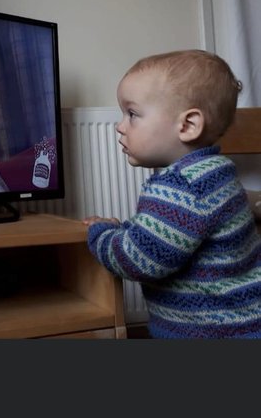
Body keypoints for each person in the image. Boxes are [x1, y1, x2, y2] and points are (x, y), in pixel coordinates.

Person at [82, 50, 261, 339]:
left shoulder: (183, 185)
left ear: (188, 125)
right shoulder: (214, 173)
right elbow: (171, 236)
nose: (120, 126)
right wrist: (126, 228)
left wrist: (101, 233)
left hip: (217, 332)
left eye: (132, 114)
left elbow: (138, 259)